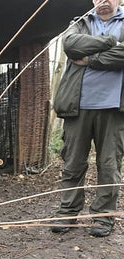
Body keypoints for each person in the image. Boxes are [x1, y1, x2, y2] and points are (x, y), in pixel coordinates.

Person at [52, 0, 124, 237]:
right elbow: (71, 45)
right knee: (72, 162)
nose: (104, 1)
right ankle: (67, 213)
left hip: (114, 108)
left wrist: (90, 59)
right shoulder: (80, 22)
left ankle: (103, 218)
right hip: (78, 106)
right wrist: (110, 42)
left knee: (109, 165)